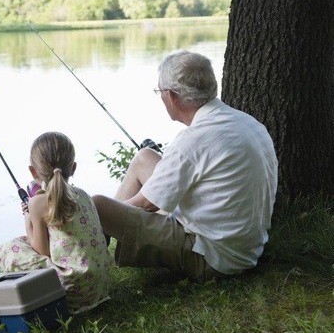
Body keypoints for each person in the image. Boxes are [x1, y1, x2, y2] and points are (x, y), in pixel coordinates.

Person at [93, 50, 278, 282]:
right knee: (145, 157)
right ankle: (96, 245)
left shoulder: (192, 139)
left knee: (97, 205)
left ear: (172, 96)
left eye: (160, 92)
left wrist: (108, 217)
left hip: (213, 256)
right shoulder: (247, 122)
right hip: (245, 247)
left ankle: (88, 261)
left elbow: (145, 204)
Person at [0, 131, 111, 314]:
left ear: (33, 171)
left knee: (12, 248)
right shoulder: (84, 195)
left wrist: (28, 217)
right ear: (73, 168)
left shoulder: (38, 202)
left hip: (72, 295)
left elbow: (41, 251)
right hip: (99, 288)